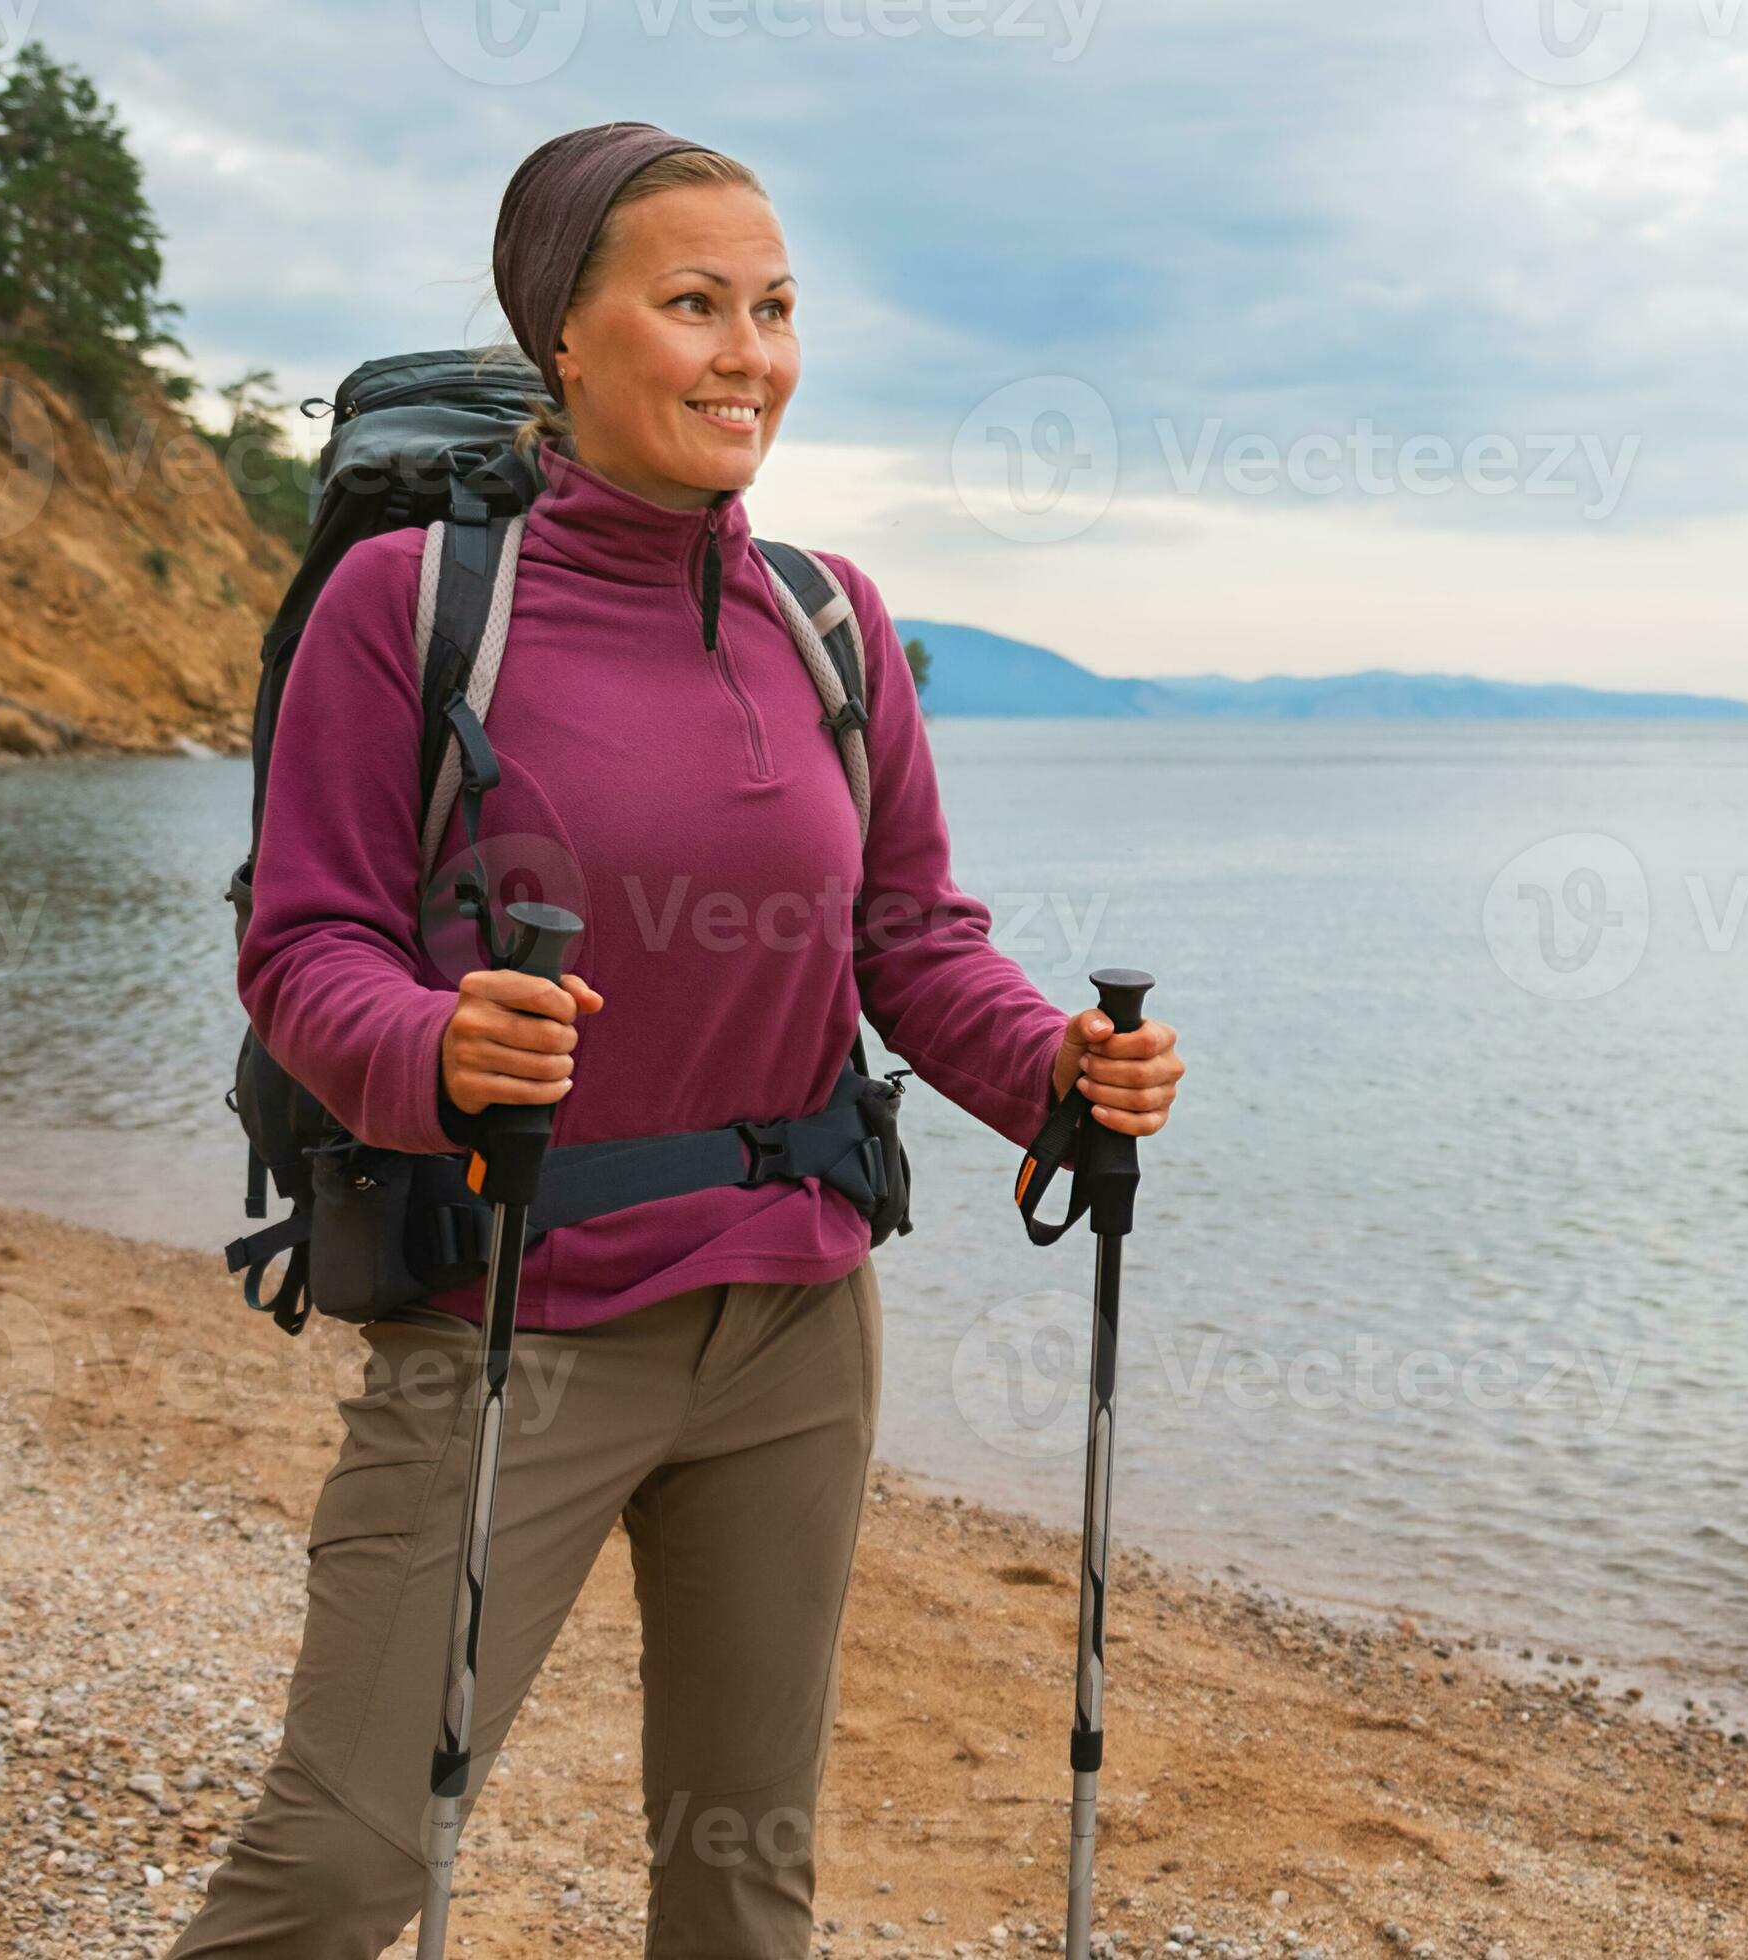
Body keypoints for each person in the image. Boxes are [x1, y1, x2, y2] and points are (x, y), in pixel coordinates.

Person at [172, 121, 1184, 1959]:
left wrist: (1054, 1068)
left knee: (740, 1879)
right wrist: (435, 1047)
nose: (751, 354)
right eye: (696, 304)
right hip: (513, 1308)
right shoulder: (410, 610)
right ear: (564, 332)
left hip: (794, 1324)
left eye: (778, 308)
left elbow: (906, 937)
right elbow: (301, 942)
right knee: (347, 1863)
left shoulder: (832, 622)